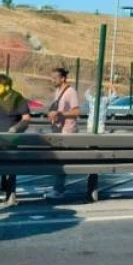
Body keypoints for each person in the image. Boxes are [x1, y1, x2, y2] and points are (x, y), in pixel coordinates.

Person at [0, 74, 31, 204]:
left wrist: (16, 128)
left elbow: (26, 117)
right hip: (1, 134)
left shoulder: (17, 98)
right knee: (3, 161)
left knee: (2, 161)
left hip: (7, 134)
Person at [45, 67, 80, 199]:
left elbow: (77, 112)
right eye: (51, 77)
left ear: (63, 78)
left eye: (55, 78)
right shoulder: (58, 91)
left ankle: (59, 189)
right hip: (58, 129)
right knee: (57, 159)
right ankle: (57, 187)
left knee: (61, 160)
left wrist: (60, 114)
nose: (52, 80)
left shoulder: (71, 92)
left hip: (67, 131)